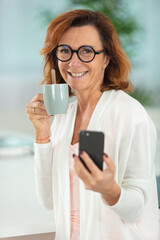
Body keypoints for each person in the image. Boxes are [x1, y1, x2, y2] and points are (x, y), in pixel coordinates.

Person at [26, 9, 159, 240]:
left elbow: (138, 208)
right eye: (65, 51)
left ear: (106, 58)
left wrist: (110, 191)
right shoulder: (64, 116)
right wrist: (42, 134)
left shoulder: (130, 115)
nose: (73, 62)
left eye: (86, 51)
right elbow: (49, 200)